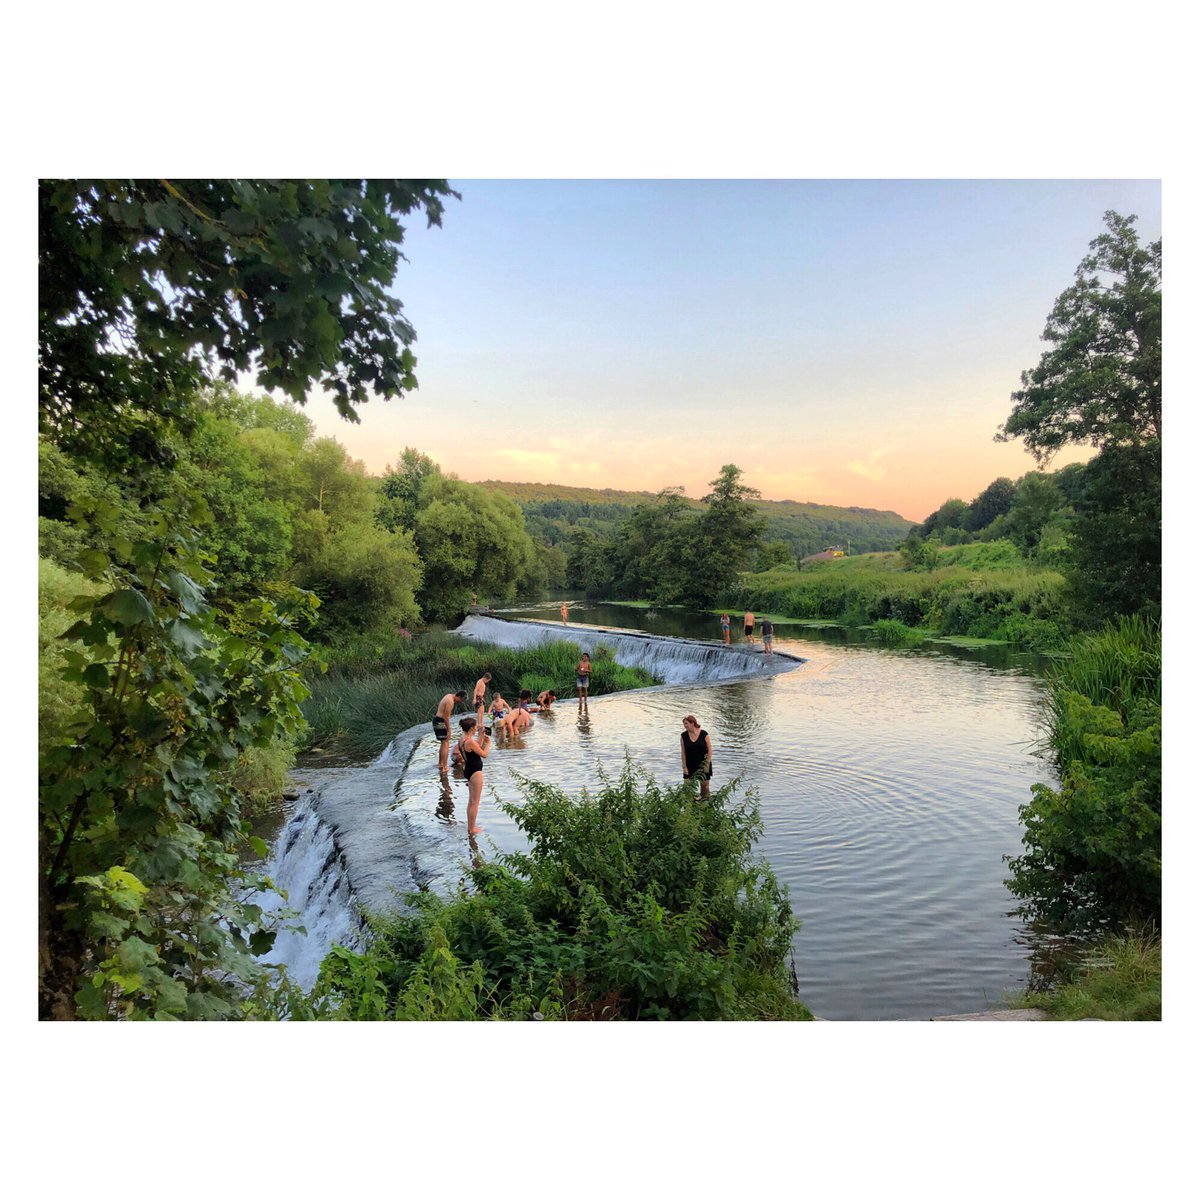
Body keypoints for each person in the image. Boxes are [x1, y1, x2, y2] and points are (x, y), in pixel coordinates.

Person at [456, 715, 490, 834]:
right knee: (475, 802)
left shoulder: (462, 739)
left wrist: (481, 737)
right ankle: (472, 829)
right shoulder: (470, 741)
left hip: (468, 770)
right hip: (475, 772)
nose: (477, 728)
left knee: (471, 801)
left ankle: (470, 826)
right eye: (475, 727)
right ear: (471, 728)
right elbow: (484, 754)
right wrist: (488, 743)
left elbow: (476, 748)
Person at [680, 715, 714, 800]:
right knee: (688, 787)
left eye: (686, 723)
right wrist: (684, 766)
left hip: (703, 763)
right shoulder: (683, 736)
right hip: (690, 764)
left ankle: (705, 804)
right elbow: (683, 752)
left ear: (692, 723)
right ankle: (690, 805)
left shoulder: (704, 734)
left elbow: (710, 750)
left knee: (705, 787)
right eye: (684, 724)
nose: (685, 726)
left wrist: (707, 764)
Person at [433, 689, 468, 773]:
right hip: (441, 722)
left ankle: (440, 764)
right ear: (459, 697)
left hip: (437, 720)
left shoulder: (448, 696)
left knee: (443, 743)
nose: (461, 702)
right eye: (461, 700)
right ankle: (444, 767)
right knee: (446, 743)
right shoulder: (450, 701)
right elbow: (446, 717)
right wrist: (449, 730)